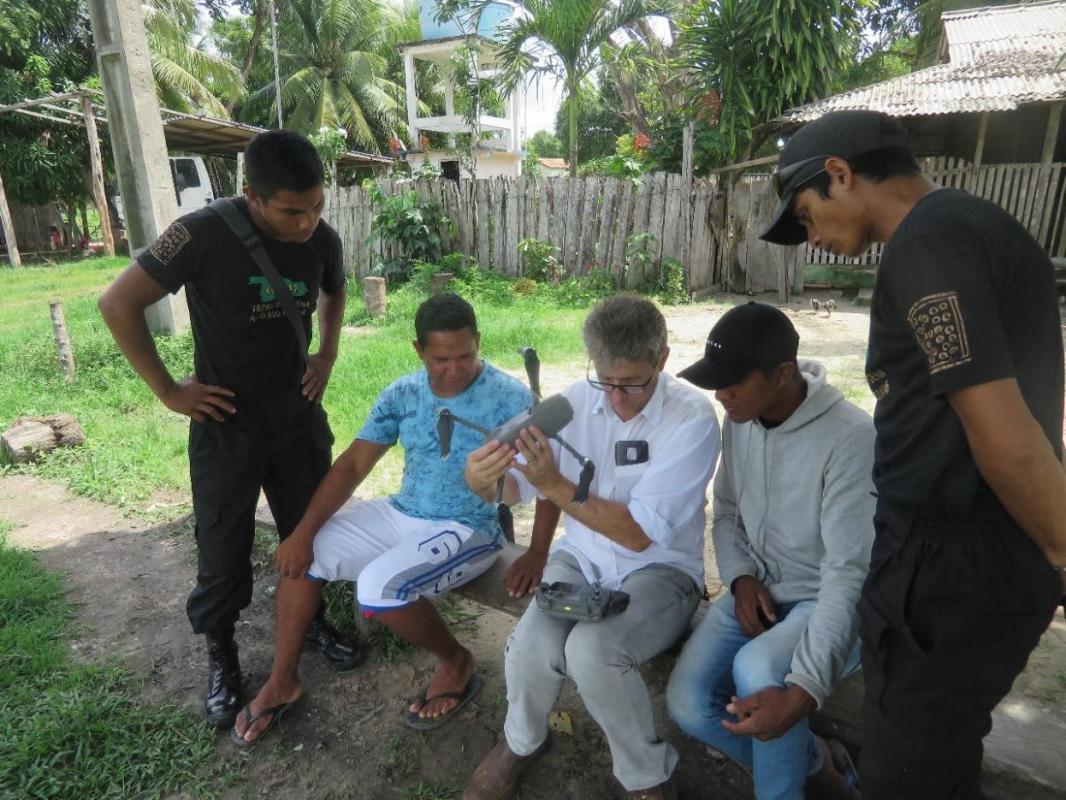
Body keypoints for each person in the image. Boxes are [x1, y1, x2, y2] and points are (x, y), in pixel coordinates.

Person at [760, 109, 1066, 799]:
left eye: (806, 215)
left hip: (950, 568)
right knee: (934, 758)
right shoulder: (974, 227)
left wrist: (1061, 550)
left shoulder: (927, 247)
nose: (811, 239)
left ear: (840, 174)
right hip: (958, 556)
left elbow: (1003, 430)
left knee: (909, 775)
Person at [98, 129, 358, 731]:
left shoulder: (322, 237)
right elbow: (118, 303)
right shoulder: (199, 234)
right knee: (222, 551)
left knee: (308, 534)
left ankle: (312, 623)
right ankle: (223, 656)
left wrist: (327, 354)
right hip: (225, 427)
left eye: (317, 206)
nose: (307, 223)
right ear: (252, 196)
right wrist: (168, 391)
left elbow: (335, 290)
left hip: (297, 421)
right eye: (292, 211)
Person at [231, 293, 534, 745]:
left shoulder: (511, 397)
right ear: (418, 350)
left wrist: (536, 548)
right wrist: (304, 532)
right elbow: (354, 464)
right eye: (441, 359)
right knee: (305, 553)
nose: (455, 370)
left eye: (466, 356)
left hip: (469, 527)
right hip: (402, 511)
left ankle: (456, 661)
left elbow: (545, 480)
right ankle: (283, 679)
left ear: (478, 342)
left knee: (378, 587)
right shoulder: (403, 393)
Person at [462, 294, 720, 800]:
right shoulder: (574, 402)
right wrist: (481, 479)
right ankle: (521, 741)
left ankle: (646, 775)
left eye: (633, 382)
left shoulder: (691, 418)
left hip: (661, 570)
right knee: (531, 646)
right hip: (580, 559)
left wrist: (555, 484)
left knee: (594, 651)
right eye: (606, 380)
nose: (617, 397)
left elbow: (637, 534)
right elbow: (515, 488)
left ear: (662, 359)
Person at [666, 302, 873, 799]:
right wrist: (739, 577)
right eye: (717, 383)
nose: (721, 395)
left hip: (826, 603)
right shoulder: (740, 418)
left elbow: (848, 576)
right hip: (757, 593)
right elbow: (726, 509)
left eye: (734, 383)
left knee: (757, 669)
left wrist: (804, 692)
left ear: (783, 374)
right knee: (687, 703)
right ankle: (815, 764)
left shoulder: (852, 438)